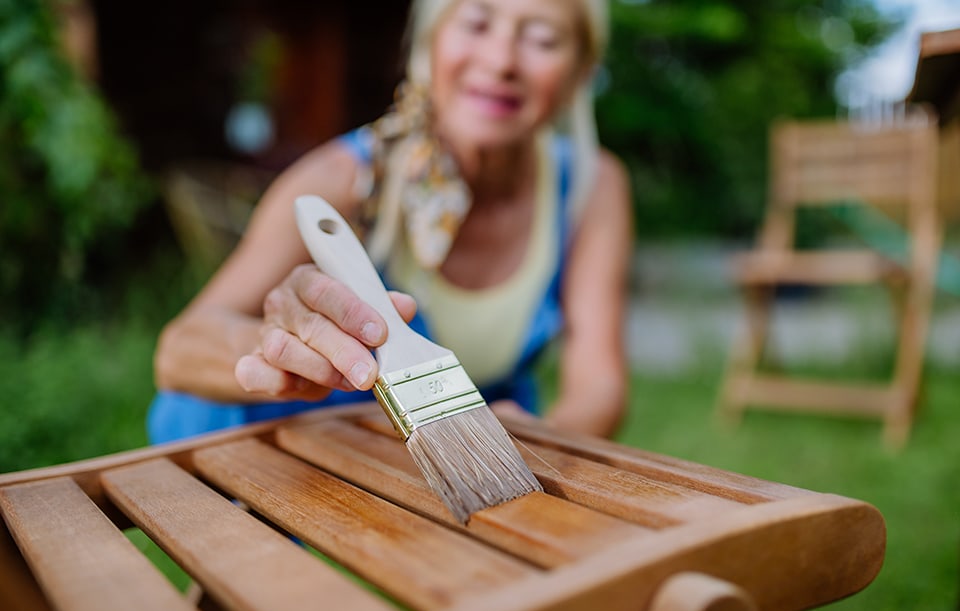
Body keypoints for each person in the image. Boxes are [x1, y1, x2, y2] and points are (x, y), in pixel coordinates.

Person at [149, 0, 633, 444]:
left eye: (542, 39)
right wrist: (270, 346)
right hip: (279, 452)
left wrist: (543, 438)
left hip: (454, 464)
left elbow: (600, 383)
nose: (501, 60)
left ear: (580, 71)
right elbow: (176, 352)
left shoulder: (591, 187)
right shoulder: (339, 182)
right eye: (476, 24)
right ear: (430, 42)